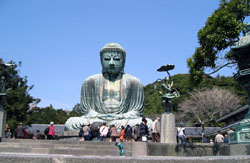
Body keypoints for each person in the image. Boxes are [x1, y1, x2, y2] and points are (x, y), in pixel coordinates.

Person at [65, 43, 152, 130]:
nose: (111, 63)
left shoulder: (134, 82)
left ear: (124, 61)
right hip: (97, 118)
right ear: (101, 60)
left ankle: (104, 127)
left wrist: (121, 116)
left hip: (122, 120)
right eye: (106, 59)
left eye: (117, 59)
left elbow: (137, 111)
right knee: (71, 122)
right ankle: (106, 126)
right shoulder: (90, 81)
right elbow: (87, 110)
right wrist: (98, 115)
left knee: (148, 123)